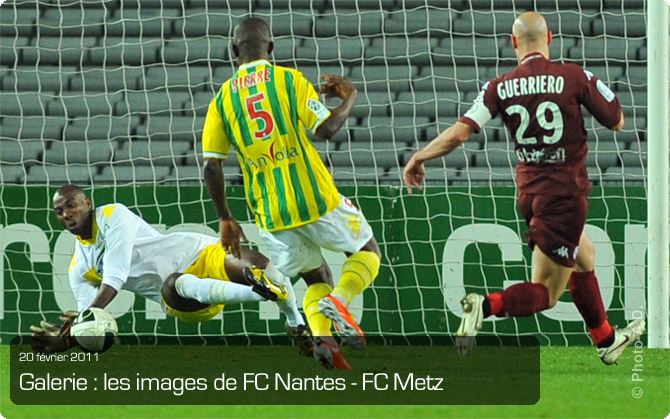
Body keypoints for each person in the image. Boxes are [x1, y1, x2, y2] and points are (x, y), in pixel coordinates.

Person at [403, 12, 644, 364]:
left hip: (530, 195)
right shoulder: (573, 76)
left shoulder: (499, 85)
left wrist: (419, 156)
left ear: (514, 42)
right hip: (565, 195)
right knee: (547, 293)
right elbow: (617, 120)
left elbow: (459, 133)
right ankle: (485, 306)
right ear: (551, 38)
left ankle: (606, 339)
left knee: (585, 255)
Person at [201, 17, 382, 370]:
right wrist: (350, 96)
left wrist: (225, 218)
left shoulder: (221, 100)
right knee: (367, 252)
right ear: (272, 47)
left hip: (270, 212)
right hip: (314, 195)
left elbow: (211, 166)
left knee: (317, 277)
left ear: (233, 49)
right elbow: (326, 129)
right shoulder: (289, 80)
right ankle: (341, 301)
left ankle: (324, 340)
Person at [31, 184, 310, 355]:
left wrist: (78, 323)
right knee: (175, 281)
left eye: (71, 205)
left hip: (200, 251)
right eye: (59, 212)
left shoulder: (113, 215)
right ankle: (258, 293)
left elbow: (115, 276)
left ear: (87, 203)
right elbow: (92, 324)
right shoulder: (79, 268)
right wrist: (70, 340)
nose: (67, 214)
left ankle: (296, 322)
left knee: (261, 265)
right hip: (177, 298)